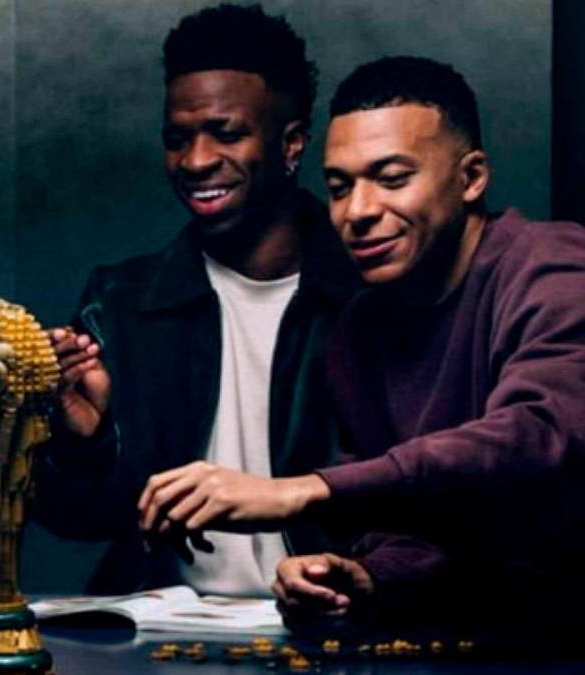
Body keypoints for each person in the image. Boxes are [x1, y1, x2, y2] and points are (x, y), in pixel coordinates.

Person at [142, 56, 585, 629]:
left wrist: (305, 490)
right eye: (339, 187)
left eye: (392, 179)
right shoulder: (360, 328)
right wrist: (366, 576)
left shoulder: (553, 266)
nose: (359, 211)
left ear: (471, 178)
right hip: (472, 641)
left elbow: (542, 438)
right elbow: (414, 522)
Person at [33, 4, 359, 596]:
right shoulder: (119, 303)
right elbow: (76, 520)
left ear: (291, 144)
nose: (196, 160)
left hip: (334, 618)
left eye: (226, 133)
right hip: (164, 625)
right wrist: (84, 441)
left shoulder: (367, 297)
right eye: (177, 139)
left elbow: (420, 497)